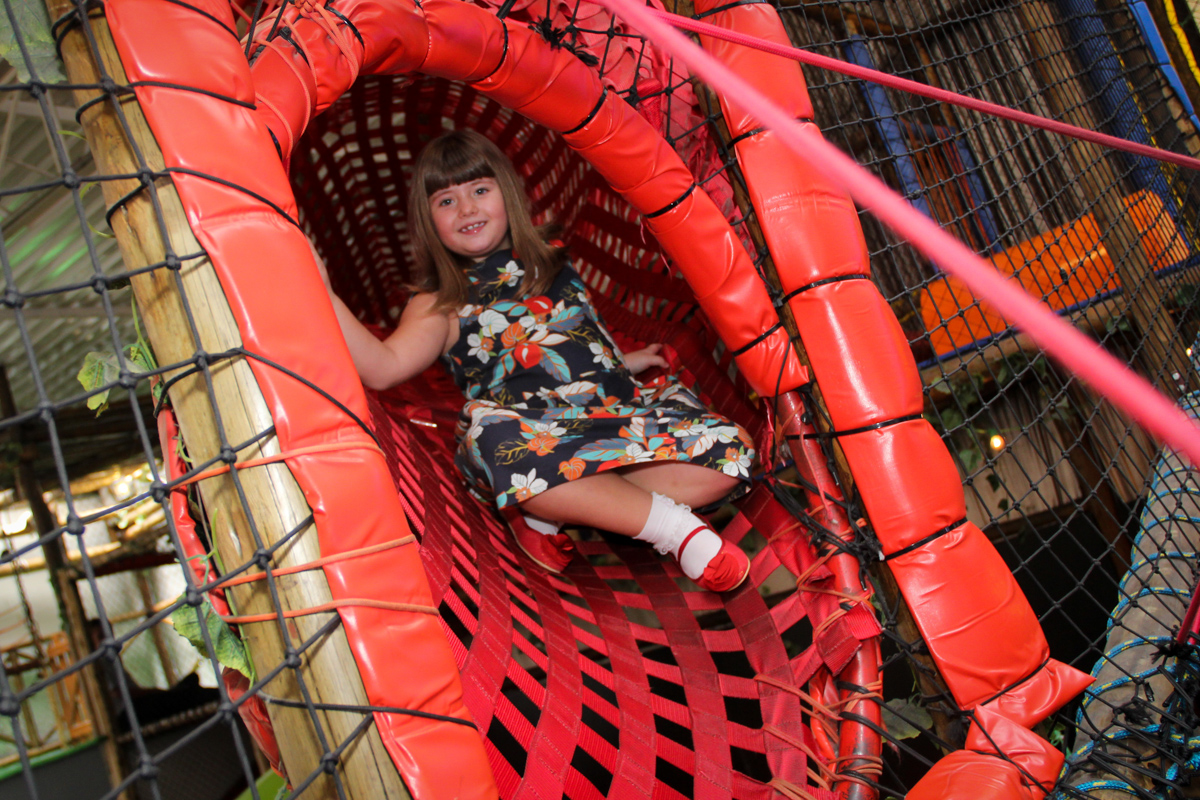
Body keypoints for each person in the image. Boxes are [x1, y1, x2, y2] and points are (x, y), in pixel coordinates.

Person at [319, 129, 755, 592]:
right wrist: (322, 293)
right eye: (446, 201)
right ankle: (677, 532)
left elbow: (570, 338)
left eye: (480, 191)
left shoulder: (552, 261)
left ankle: (545, 507)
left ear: (506, 194)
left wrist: (620, 362)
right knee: (500, 439)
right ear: (427, 222)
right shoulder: (439, 303)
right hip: (530, 435)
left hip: (611, 419)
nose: (467, 209)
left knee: (730, 451)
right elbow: (382, 367)